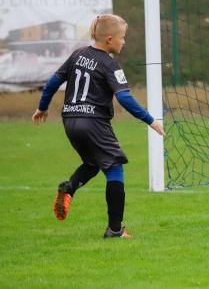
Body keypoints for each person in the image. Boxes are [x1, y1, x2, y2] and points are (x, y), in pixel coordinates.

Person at [32, 14, 165, 239]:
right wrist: (150, 119)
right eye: (122, 38)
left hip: (70, 121)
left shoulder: (77, 55)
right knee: (114, 169)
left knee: (93, 163)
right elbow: (124, 98)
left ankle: (70, 187)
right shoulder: (110, 64)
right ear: (109, 39)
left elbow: (53, 83)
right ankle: (115, 230)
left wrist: (43, 108)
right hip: (93, 121)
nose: (124, 42)